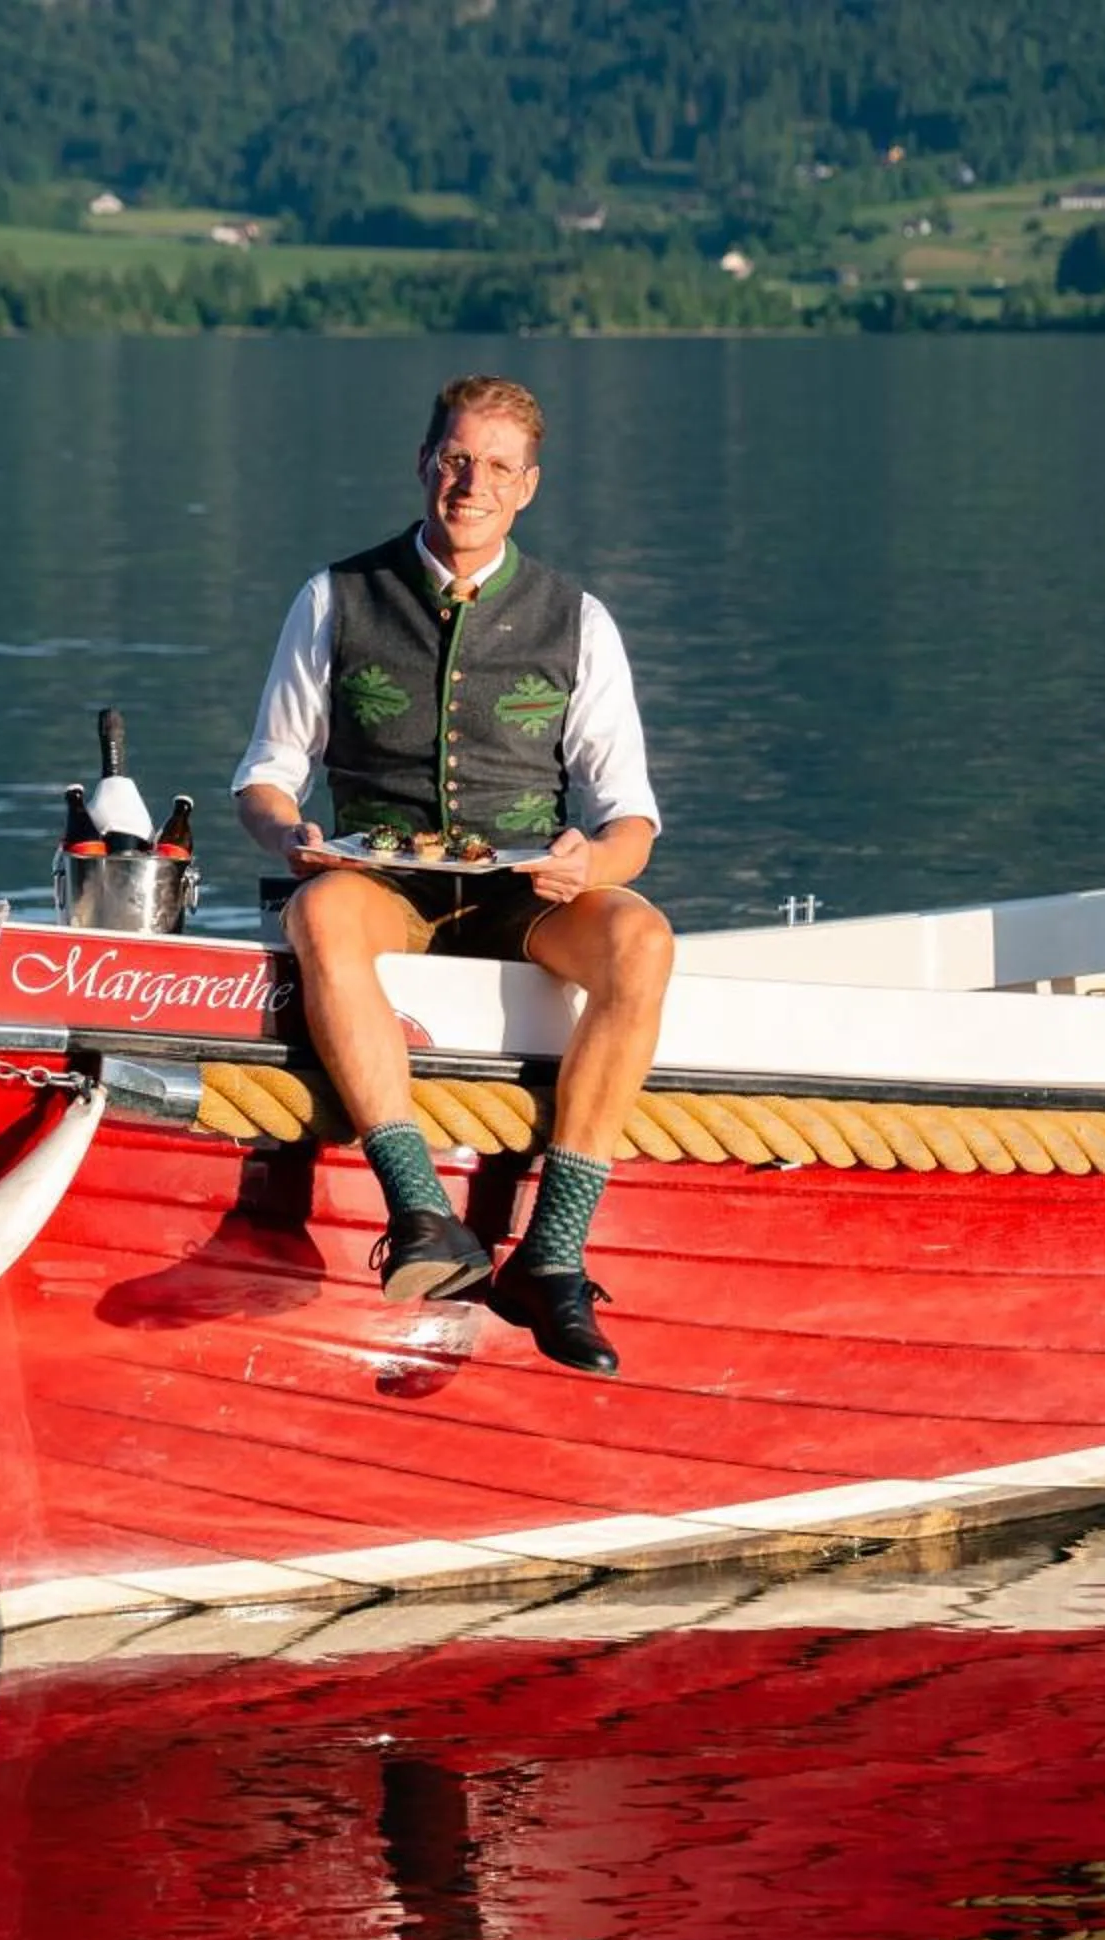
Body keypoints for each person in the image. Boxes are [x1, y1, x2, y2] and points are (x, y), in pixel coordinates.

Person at [233, 375, 671, 1377]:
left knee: (641, 938)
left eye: (498, 467)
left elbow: (630, 819)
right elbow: (265, 777)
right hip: (382, 885)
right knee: (322, 913)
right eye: (456, 458)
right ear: (426, 463)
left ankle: (553, 1253)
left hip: (526, 893)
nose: (471, 483)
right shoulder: (335, 597)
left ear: (529, 488)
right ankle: (419, 1213)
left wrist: (588, 862)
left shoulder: (579, 620)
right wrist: (290, 833)